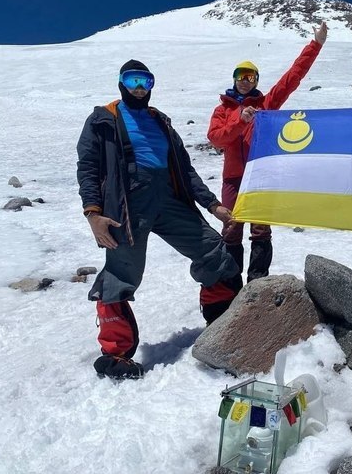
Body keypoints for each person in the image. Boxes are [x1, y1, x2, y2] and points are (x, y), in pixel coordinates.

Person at [77, 60, 241, 380]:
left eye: (145, 81)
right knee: (120, 276)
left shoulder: (161, 122)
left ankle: (223, 324)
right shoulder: (103, 120)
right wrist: (93, 214)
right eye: (133, 80)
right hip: (127, 206)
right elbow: (88, 169)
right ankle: (116, 355)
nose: (139, 88)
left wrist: (213, 205)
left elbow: (186, 171)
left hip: (168, 199)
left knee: (212, 250)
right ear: (121, 83)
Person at [208, 22, 328, 282]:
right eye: (241, 76)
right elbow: (216, 138)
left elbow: (291, 79)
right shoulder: (223, 110)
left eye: (250, 77)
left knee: (260, 230)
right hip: (233, 179)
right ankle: (230, 284)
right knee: (231, 228)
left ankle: (257, 282)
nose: (244, 81)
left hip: (260, 177)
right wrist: (240, 119)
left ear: (256, 81)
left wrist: (316, 44)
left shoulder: (265, 104)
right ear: (234, 79)